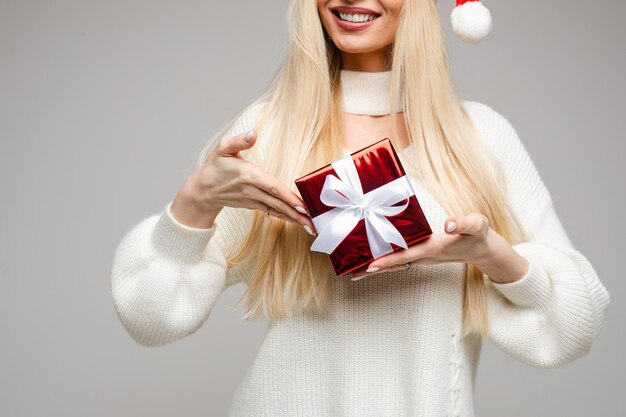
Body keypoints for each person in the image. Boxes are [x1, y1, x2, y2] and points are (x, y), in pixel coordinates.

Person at [110, 1, 611, 416]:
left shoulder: (478, 139)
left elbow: (574, 326)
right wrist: (193, 204)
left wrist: (491, 255)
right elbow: (149, 319)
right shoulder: (273, 131)